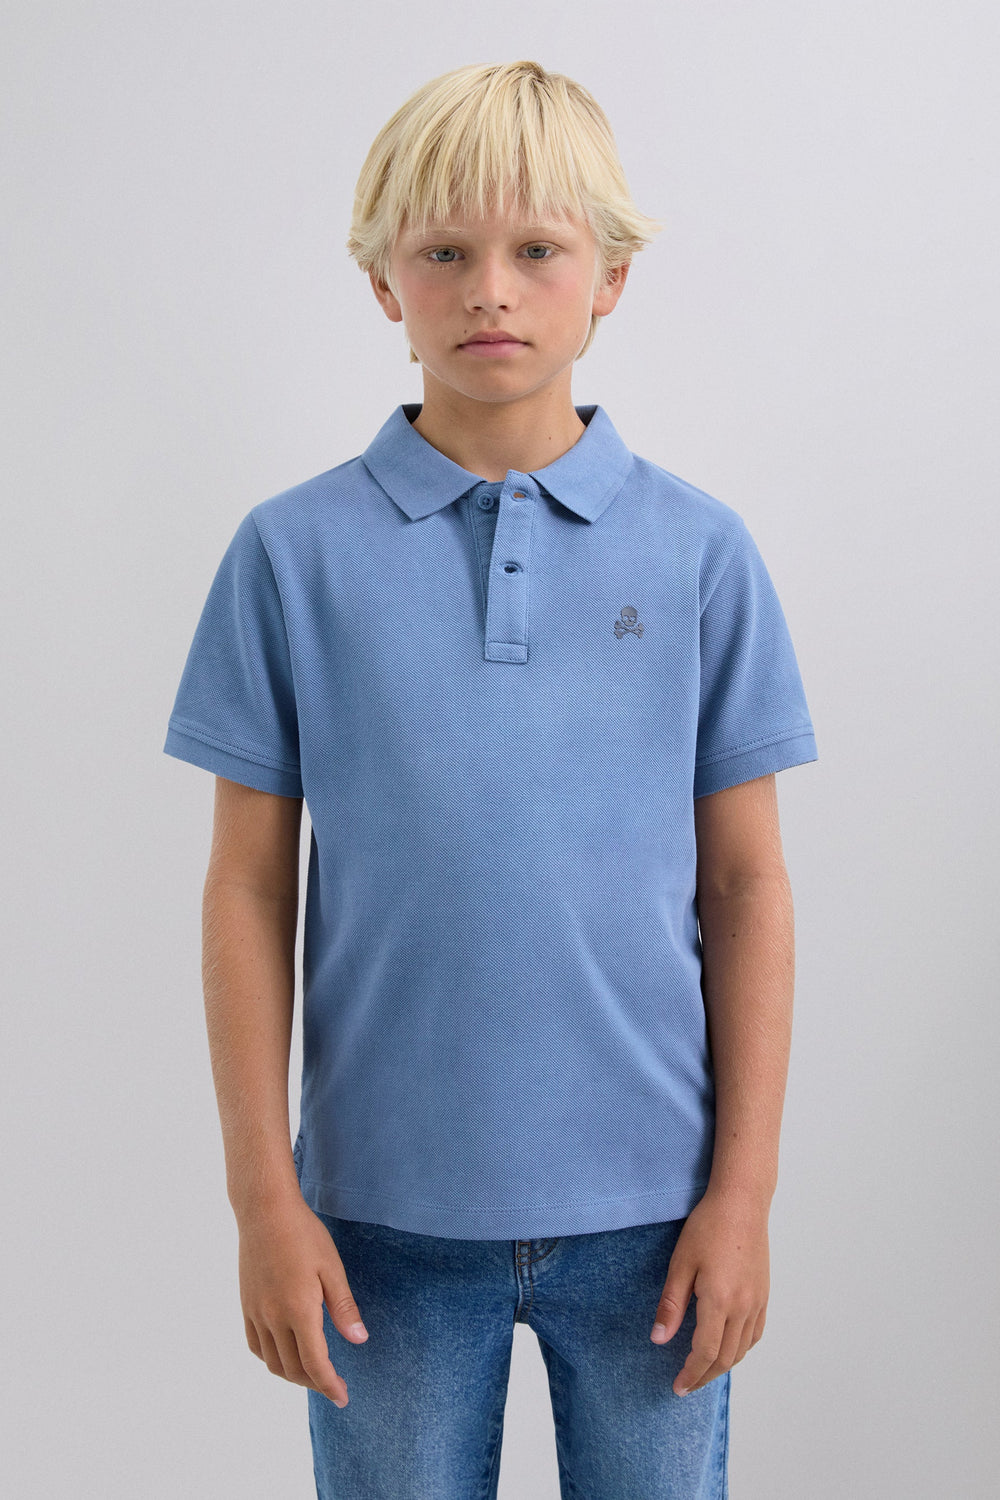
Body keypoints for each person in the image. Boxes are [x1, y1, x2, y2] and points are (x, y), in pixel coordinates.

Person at [163, 59, 818, 1500]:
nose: (491, 293)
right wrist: (263, 1200)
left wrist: (745, 1195)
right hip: (377, 1227)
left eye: (537, 251)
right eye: (445, 254)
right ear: (383, 282)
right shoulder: (290, 557)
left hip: (657, 1221)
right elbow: (249, 888)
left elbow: (747, 886)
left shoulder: (701, 555)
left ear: (612, 279)